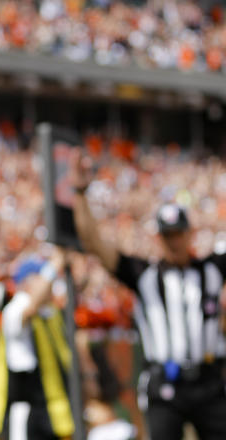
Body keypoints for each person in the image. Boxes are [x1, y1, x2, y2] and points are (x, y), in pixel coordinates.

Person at [70, 155, 226, 439]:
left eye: (179, 234)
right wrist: (81, 193)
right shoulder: (145, 275)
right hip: (165, 386)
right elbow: (94, 243)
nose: (174, 242)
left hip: (210, 383)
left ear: (189, 234)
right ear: (159, 238)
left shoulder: (211, 269)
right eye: (168, 236)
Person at [0, 248, 76, 440]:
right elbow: (30, 308)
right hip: (28, 413)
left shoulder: (49, 313)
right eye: (39, 278)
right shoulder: (16, 308)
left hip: (52, 412)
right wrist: (54, 265)